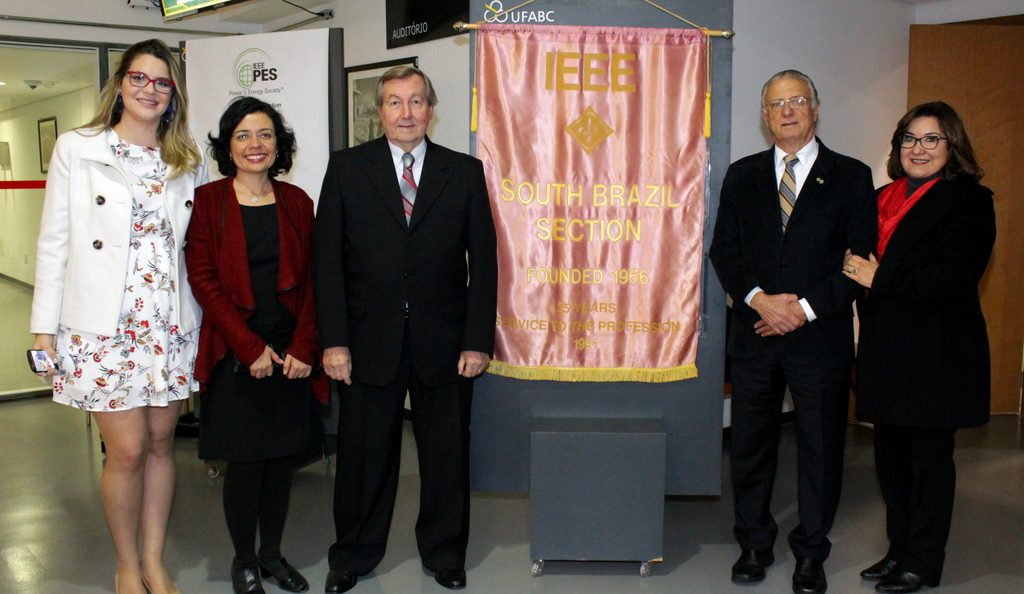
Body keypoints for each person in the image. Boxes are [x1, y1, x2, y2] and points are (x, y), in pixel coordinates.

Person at [312, 65, 498, 592]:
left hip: (445, 342)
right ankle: (352, 554)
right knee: (364, 457)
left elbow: (484, 262)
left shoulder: (463, 172)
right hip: (368, 342)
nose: (406, 113)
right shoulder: (348, 169)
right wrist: (334, 340)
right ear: (380, 111)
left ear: (431, 109)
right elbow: (327, 262)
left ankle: (445, 554)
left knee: (445, 456)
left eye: (416, 101)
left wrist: (477, 339)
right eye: (394, 102)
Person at [29, 39, 205, 594]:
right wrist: (43, 329)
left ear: (173, 94)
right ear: (121, 85)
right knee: (126, 451)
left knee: (160, 445)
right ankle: (126, 564)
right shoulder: (78, 148)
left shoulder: (185, 158)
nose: (149, 89)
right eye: (140, 78)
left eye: (162, 82)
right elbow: (54, 241)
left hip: (168, 324)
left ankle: (154, 561)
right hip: (101, 326)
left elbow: (194, 248)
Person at [708, 69, 874, 594]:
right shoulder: (742, 175)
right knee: (752, 445)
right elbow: (725, 251)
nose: (787, 111)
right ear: (764, 115)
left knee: (821, 449)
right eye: (777, 103)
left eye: (798, 100)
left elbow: (858, 260)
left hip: (818, 339)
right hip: (755, 334)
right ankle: (754, 544)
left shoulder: (851, 175)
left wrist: (801, 309)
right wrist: (760, 300)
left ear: (816, 109)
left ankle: (811, 551)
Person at [843, 102, 994, 593]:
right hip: (886, 352)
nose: (918, 148)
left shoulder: (969, 202)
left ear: (952, 147)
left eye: (931, 139)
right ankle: (897, 551)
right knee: (891, 462)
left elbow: (953, 278)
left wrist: (878, 276)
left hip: (936, 356)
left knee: (929, 465)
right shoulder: (882, 197)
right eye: (909, 138)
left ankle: (924, 562)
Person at [185, 97, 327, 594]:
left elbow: (315, 279)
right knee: (245, 466)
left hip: (291, 355)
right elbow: (203, 281)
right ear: (227, 146)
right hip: (234, 352)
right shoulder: (207, 202)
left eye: (265, 134)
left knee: (281, 463)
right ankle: (244, 559)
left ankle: (272, 555)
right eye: (243, 135)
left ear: (279, 144)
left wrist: (305, 346)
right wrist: (249, 349)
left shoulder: (297, 202)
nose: (254, 145)